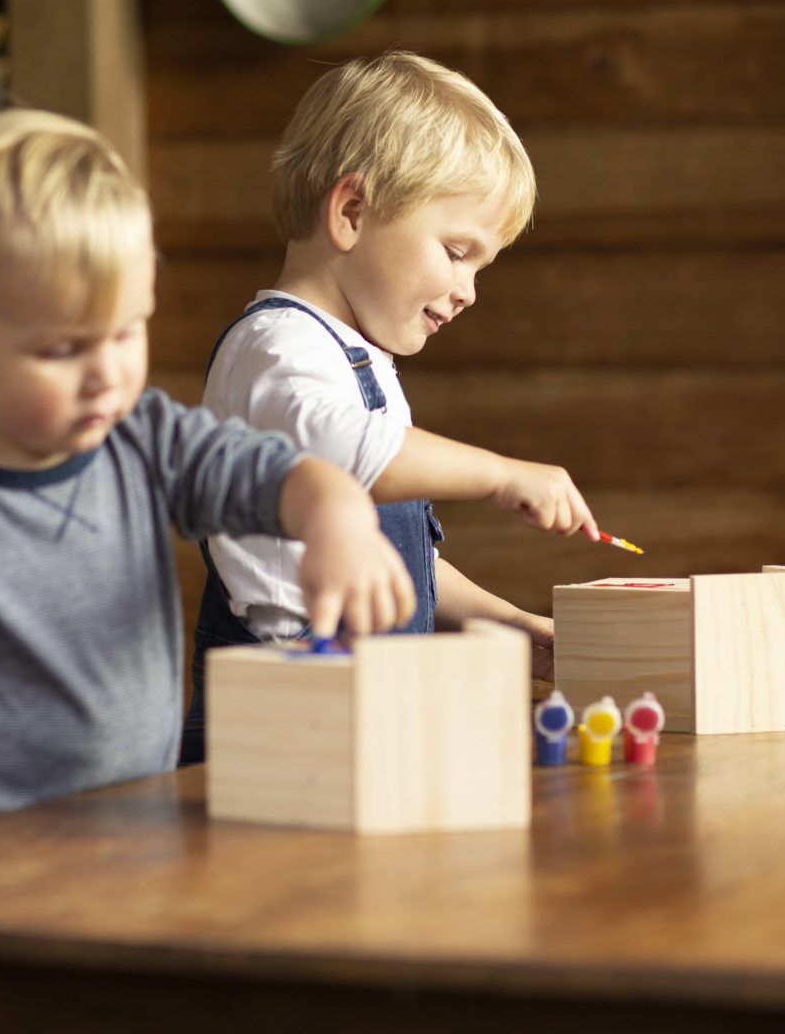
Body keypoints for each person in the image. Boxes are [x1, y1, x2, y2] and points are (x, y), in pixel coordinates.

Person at [0, 108, 415, 835]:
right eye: (61, 350)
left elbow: (280, 475)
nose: (106, 374)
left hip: (131, 834)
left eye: (126, 330)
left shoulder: (142, 438)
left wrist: (338, 521)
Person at [181, 51, 600, 764]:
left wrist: (506, 621)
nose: (468, 290)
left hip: (357, 705)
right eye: (456, 251)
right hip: (281, 723)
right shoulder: (277, 348)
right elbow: (341, 459)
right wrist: (500, 474)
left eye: (480, 267)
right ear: (351, 212)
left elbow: (403, 565)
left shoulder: (357, 359)